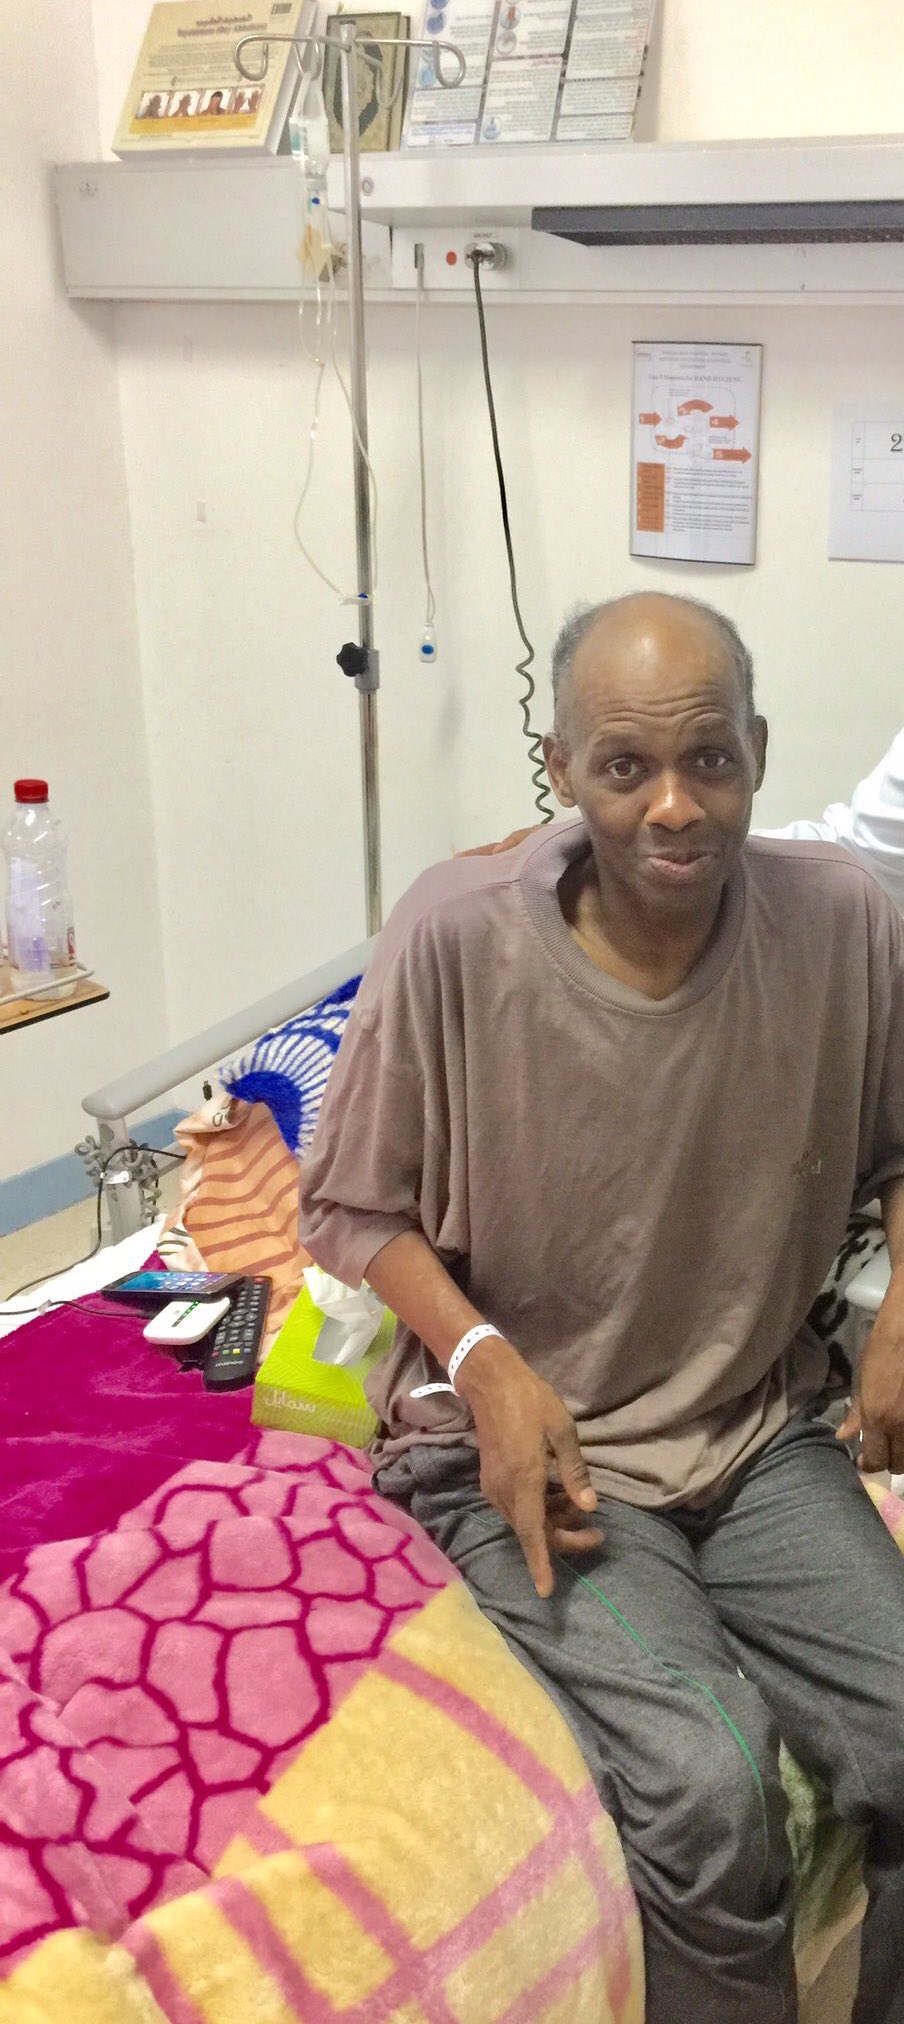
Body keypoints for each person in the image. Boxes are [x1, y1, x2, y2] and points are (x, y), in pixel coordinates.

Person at [299, 591, 904, 2024]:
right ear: (560, 766)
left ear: (761, 750)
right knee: (707, 1784)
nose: (675, 808)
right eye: (625, 768)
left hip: (753, 1431)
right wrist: (484, 1359)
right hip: (532, 1451)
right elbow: (349, 1208)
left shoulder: (847, 923)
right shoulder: (455, 936)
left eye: (712, 760)